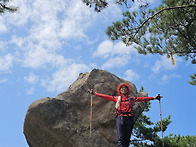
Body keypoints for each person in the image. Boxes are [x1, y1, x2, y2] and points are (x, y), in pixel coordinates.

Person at [88, 82, 162, 147]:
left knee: (127, 138)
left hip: (129, 118)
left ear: (127, 90)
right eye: (122, 88)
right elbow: (106, 97)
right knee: (121, 137)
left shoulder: (131, 98)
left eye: (125, 88)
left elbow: (142, 99)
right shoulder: (117, 98)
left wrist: (154, 98)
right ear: (120, 90)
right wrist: (95, 94)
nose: (124, 89)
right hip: (120, 117)